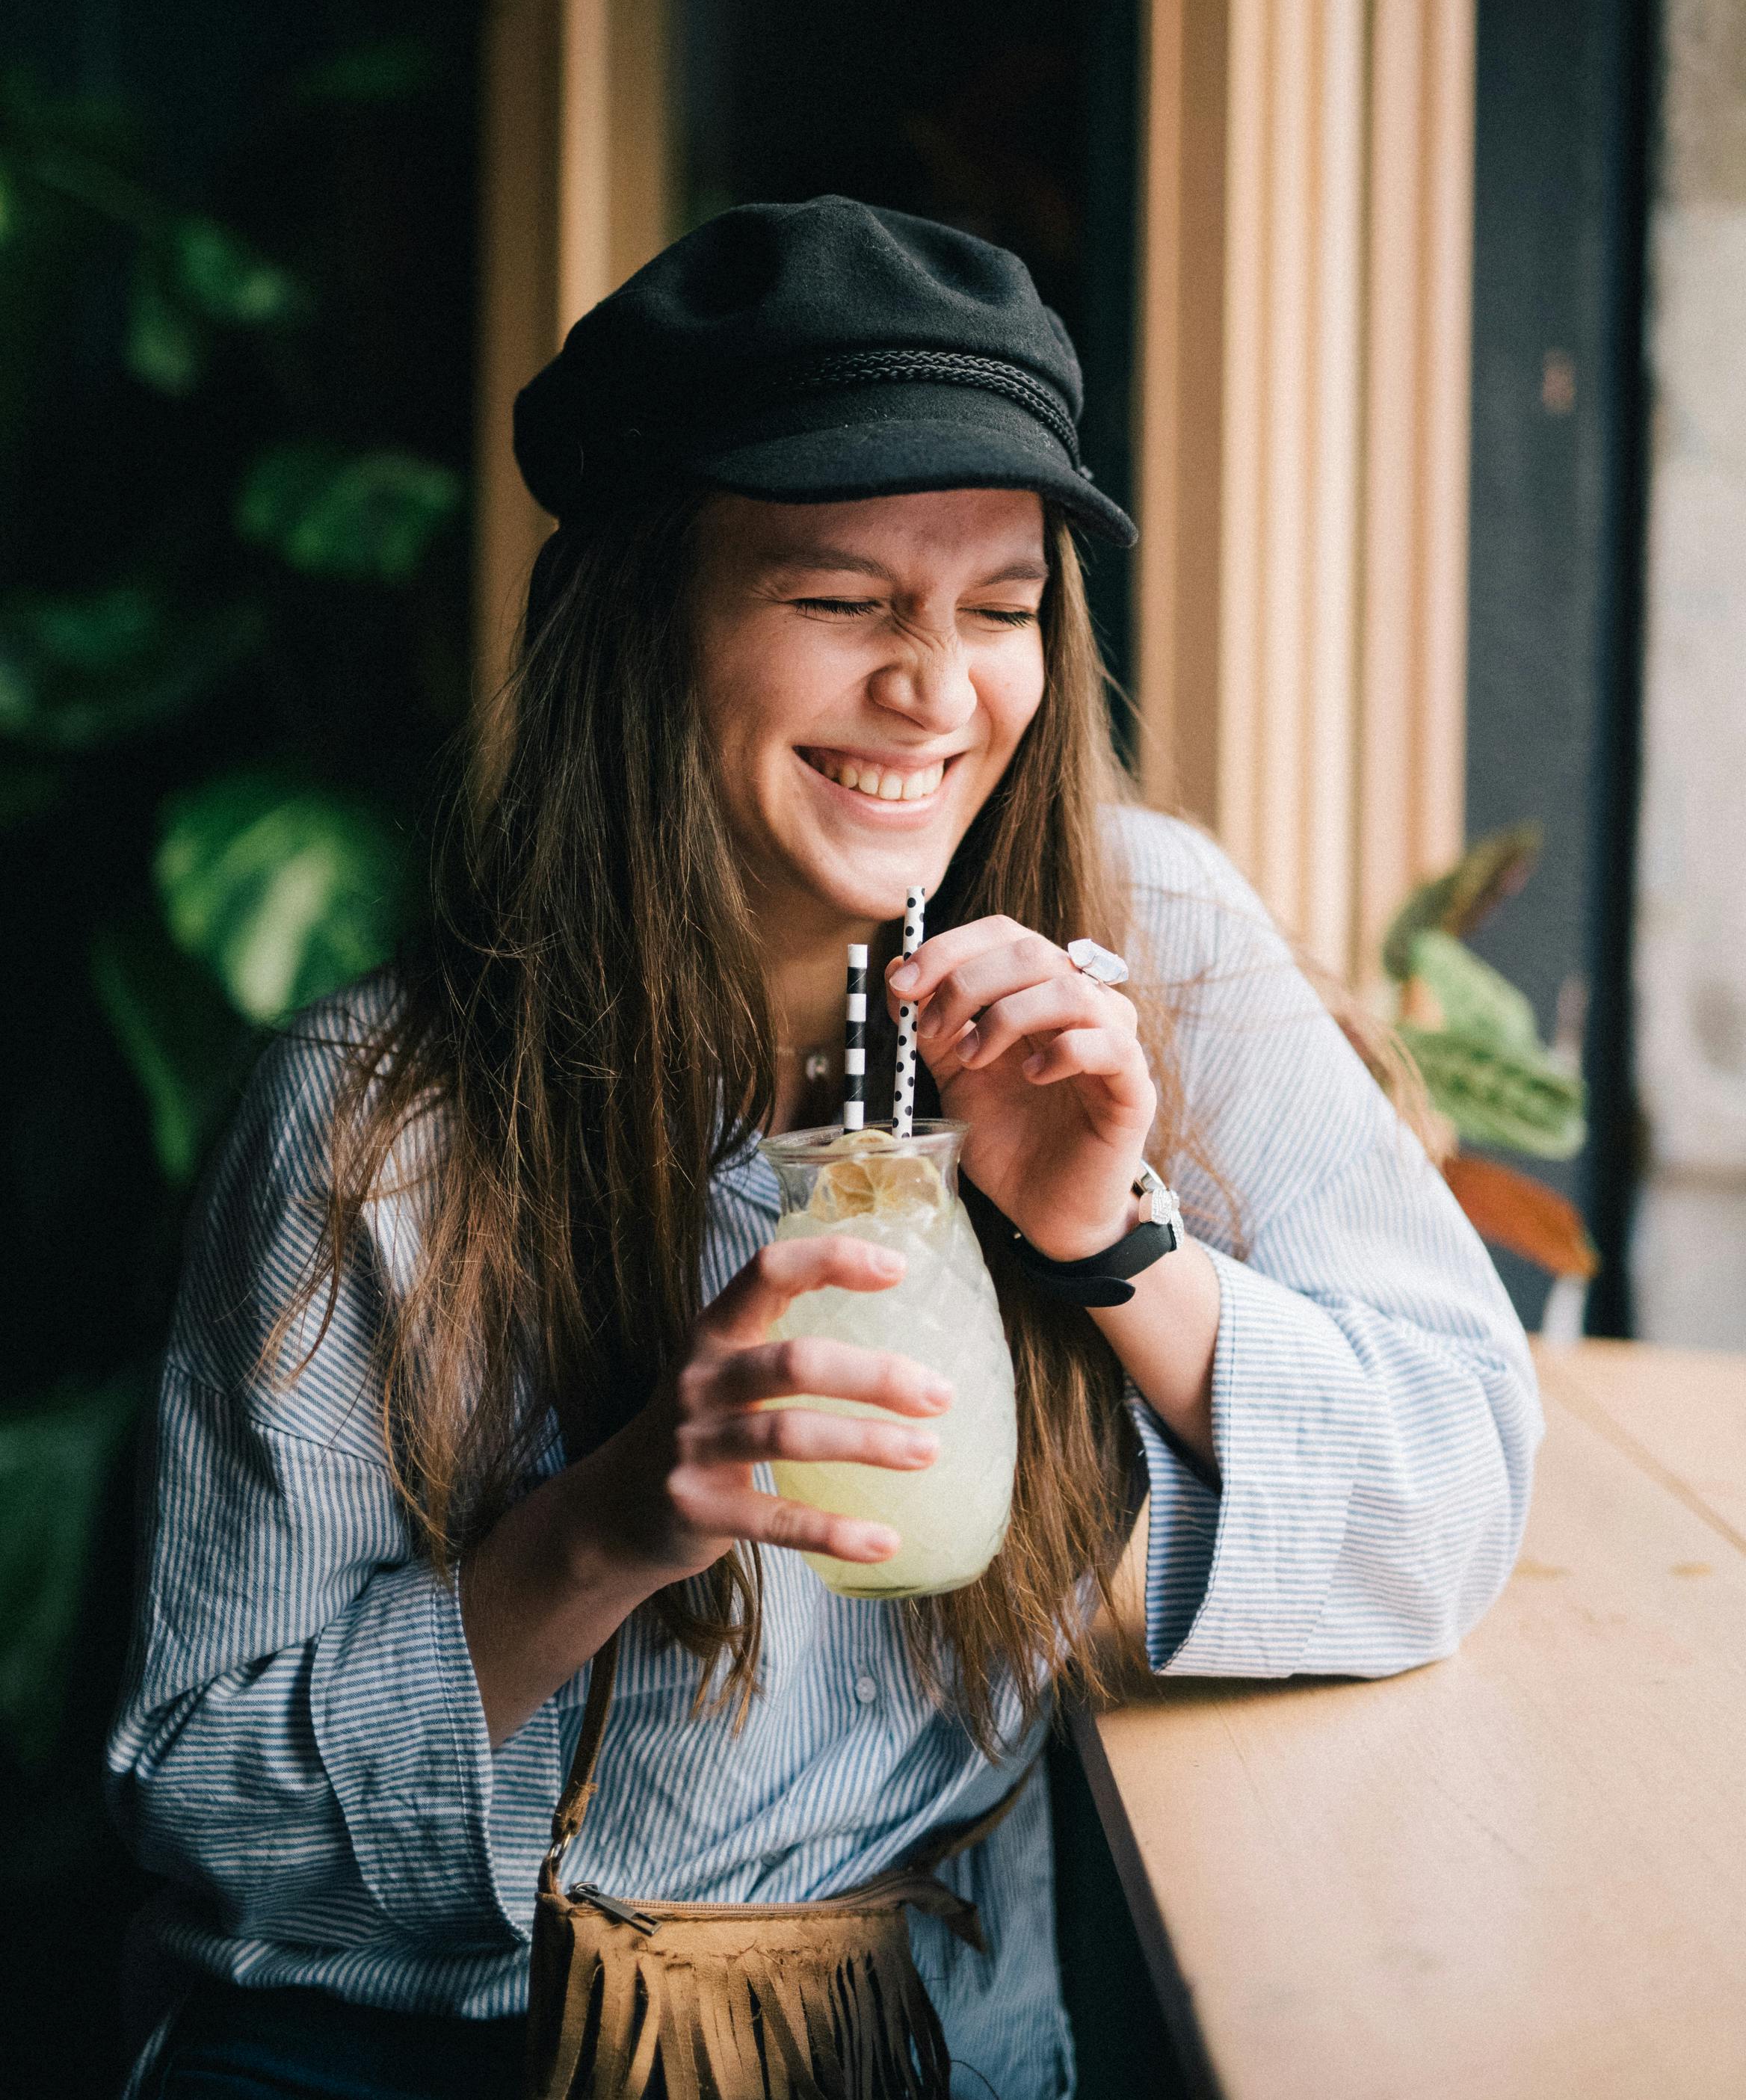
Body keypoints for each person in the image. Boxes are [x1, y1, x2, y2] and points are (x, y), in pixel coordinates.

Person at [108, 197, 1540, 2100]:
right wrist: (619, 1515)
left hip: (923, 2033)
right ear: (646, 625)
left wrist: (1116, 1246)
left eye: (1002, 607)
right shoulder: (383, 1116)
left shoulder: (1150, 938)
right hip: (424, 2055)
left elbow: (1450, 1488)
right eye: (843, 600)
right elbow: (201, 1803)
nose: (938, 692)